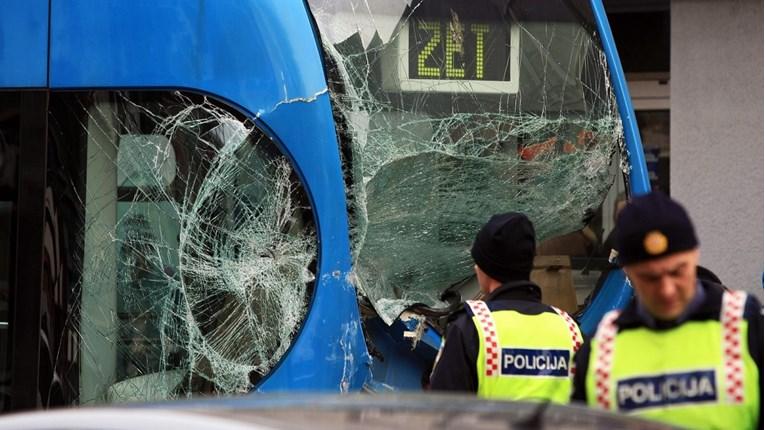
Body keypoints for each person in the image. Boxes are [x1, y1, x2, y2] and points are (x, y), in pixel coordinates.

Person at [571, 191, 762, 429]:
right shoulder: (601, 348)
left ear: (695, 255)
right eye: (650, 278)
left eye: (677, 271)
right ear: (628, 273)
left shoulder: (746, 325)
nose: (667, 290)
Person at [429, 212, 582, 402]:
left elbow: (442, 412)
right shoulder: (570, 329)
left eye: (478, 262)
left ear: (486, 269)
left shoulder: (471, 328)